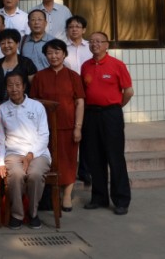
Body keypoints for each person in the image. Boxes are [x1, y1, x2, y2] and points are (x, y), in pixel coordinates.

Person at [81, 32, 133, 216]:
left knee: (115, 157)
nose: (94, 44)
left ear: (106, 45)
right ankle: (99, 197)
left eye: (98, 41)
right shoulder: (85, 66)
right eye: (91, 41)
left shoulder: (117, 65)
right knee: (95, 157)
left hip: (111, 114)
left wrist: (116, 106)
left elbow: (128, 91)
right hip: (91, 115)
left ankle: (121, 200)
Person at [31, 38, 85, 212]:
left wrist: (78, 127)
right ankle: (48, 196)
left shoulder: (73, 76)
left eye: (57, 52)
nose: (53, 56)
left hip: (67, 126)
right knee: (48, 161)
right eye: (49, 53)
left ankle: (67, 195)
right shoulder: (40, 76)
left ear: (64, 54)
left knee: (68, 160)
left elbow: (80, 103)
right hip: (44, 128)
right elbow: (33, 103)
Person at [0, 72, 51, 230]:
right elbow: (0, 139)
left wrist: (30, 156)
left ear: (24, 86)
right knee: (16, 174)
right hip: (12, 153)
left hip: (38, 153)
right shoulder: (2, 109)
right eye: (10, 85)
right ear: (6, 88)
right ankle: (17, 215)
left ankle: (33, 213)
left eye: (18, 85)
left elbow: (44, 135)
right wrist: (0, 163)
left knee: (35, 174)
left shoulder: (37, 106)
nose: (14, 89)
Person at [0, 28, 37, 103]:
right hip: (0, 105)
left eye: (9, 42)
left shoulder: (26, 63)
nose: (6, 46)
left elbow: (34, 87)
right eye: (2, 43)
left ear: (17, 44)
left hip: (22, 105)